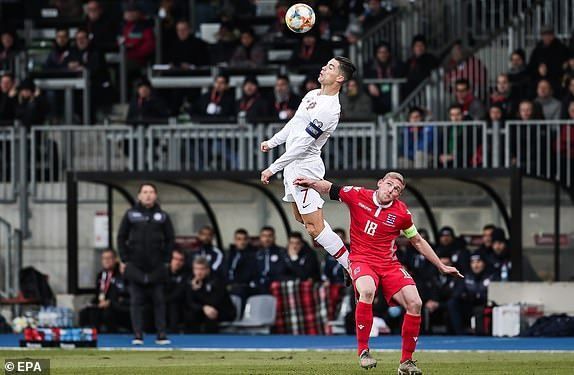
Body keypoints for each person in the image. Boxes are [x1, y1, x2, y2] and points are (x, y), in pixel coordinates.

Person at [294, 172, 463, 373]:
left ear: (398, 195)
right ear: (380, 183)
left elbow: (417, 240)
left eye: (396, 189)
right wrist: (311, 183)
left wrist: (441, 266)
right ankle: (363, 351)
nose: (391, 190)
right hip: (361, 260)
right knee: (366, 290)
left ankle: (406, 362)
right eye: (389, 184)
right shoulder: (357, 195)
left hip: (389, 264)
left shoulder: (402, 214)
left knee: (415, 303)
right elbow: (330, 188)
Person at [260, 56, 356, 281]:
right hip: (292, 165)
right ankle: (343, 254)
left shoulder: (330, 110)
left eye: (330, 66)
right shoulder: (312, 95)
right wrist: (273, 141)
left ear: (339, 78)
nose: (324, 67)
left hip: (305, 166)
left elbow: (303, 144)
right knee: (301, 219)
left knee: (314, 228)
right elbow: (294, 123)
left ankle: (351, 265)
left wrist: (273, 167)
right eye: (326, 63)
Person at [117, 183, 174, 345]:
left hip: (157, 266)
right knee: (136, 301)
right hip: (135, 265)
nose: (148, 195)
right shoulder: (130, 215)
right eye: (145, 192)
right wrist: (125, 259)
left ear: (155, 195)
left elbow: (170, 239)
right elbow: (121, 237)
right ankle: (137, 335)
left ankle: (161, 334)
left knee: (159, 301)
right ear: (139, 196)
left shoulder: (162, 216)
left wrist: (166, 260)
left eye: (151, 192)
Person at [79, 249, 130, 332]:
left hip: (117, 305)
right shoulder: (101, 275)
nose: (106, 261)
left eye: (109, 258)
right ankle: (93, 336)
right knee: (86, 312)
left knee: (108, 313)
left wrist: (110, 302)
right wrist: (94, 303)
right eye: (104, 258)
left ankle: (113, 336)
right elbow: (98, 293)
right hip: (102, 304)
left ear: (115, 259)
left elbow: (124, 292)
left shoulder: (121, 274)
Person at [185, 256, 236, 333]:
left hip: (223, 310)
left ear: (207, 270)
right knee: (191, 315)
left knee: (211, 314)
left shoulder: (216, 280)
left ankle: (212, 342)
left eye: (201, 269)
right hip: (204, 309)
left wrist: (198, 292)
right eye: (196, 269)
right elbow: (189, 302)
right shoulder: (191, 280)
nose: (199, 272)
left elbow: (214, 301)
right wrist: (202, 306)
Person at [165, 249, 189, 333]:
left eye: (181, 260)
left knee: (173, 305)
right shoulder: (163, 272)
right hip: (162, 301)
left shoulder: (187, 274)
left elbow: (179, 292)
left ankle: (173, 332)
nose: (177, 262)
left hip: (180, 303)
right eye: (175, 259)